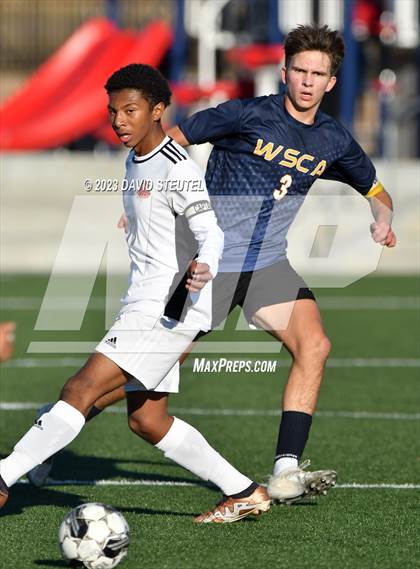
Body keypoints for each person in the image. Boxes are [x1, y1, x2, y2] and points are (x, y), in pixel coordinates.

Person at [28, 24, 396, 504]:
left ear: (331, 81)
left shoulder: (335, 142)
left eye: (318, 74)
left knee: (316, 345)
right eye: (300, 70)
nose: (307, 81)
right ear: (284, 72)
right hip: (209, 263)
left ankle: (285, 470)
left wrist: (382, 218)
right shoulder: (245, 114)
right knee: (143, 374)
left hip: (267, 267)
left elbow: (375, 188)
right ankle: (54, 426)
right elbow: (171, 139)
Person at [0, 63, 271, 523]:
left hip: (167, 305)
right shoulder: (134, 158)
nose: (119, 121)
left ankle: (5, 477)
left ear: (158, 110)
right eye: (113, 111)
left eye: (130, 110)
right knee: (147, 420)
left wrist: (202, 268)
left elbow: (212, 231)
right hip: (147, 298)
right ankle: (246, 491)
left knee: (80, 388)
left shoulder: (176, 165)